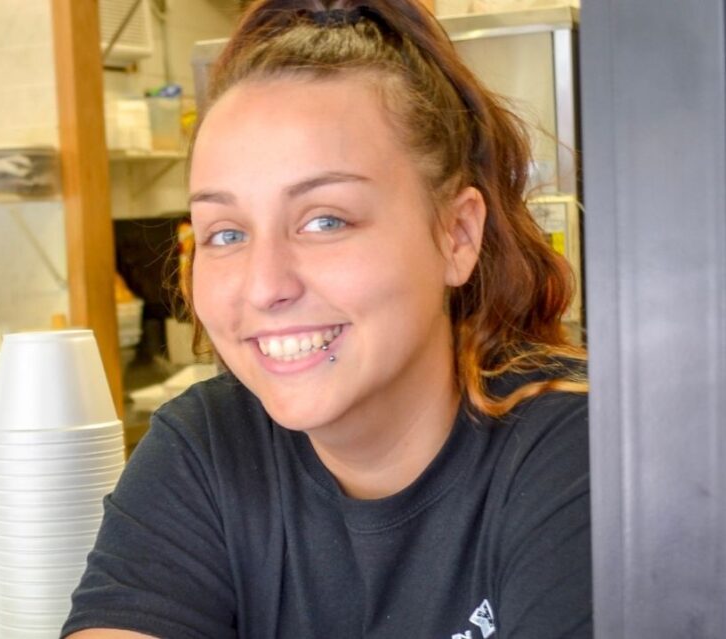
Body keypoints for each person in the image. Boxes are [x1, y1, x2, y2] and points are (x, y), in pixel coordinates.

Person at [63, 0, 590, 637]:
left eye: (325, 220)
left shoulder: (576, 447)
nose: (265, 286)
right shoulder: (206, 449)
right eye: (226, 233)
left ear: (456, 235)